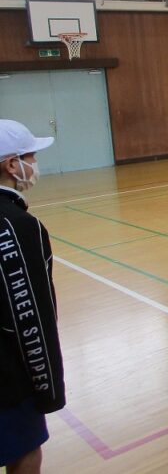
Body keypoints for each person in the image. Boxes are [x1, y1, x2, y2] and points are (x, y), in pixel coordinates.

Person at [0, 120, 65, 474]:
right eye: (31, 156)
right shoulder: (21, 227)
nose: (35, 165)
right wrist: (48, 386)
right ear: (12, 164)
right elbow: (32, 318)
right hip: (10, 377)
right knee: (25, 452)